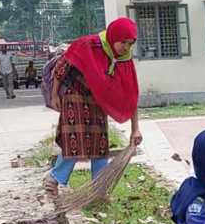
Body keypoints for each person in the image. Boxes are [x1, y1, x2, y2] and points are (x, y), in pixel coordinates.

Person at [44, 18, 143, 196]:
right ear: (113, 37)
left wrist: (135, 129)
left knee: (100, 143)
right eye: (123, 42)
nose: (126, 47)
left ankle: (99, 189)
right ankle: (54, 179)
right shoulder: (88, 45)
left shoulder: (124, 60)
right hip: (75, 95)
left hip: (98, 101)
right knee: (74, 139)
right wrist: (54, 95)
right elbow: (61, 68)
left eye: (130, 43)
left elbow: (131, 95)